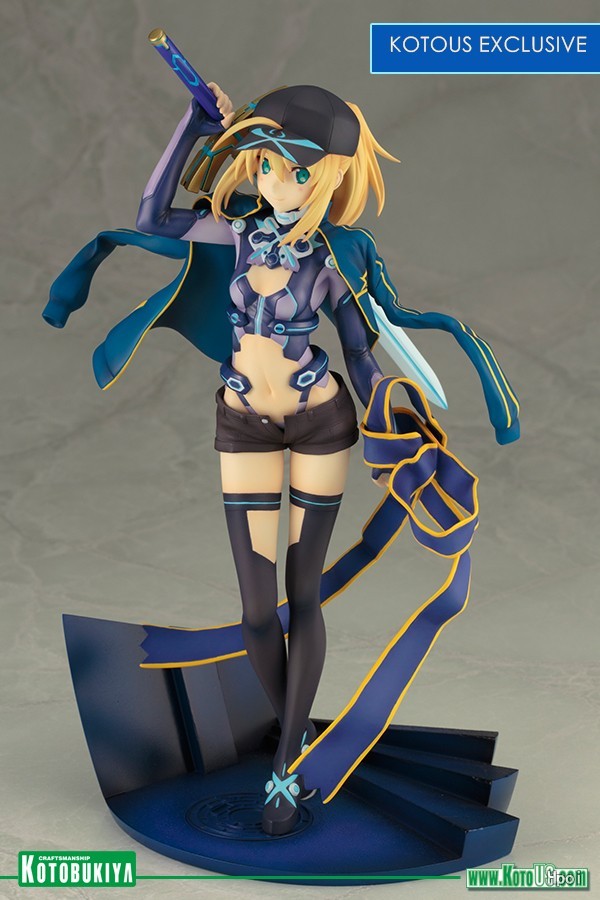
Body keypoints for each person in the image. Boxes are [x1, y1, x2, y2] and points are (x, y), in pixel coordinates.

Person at [44, 80, 520, 837]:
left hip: (319, 422)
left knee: (303, 594)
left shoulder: (338, 253)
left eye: (298, 171)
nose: (278, 182)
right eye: (266, 164)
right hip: (243, 423)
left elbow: (360, 352)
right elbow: (152, 217)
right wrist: (195, 123)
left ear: (330, 176)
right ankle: (292, 747)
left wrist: (396, 427)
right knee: (257, 612)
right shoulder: (235, 231)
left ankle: (282, 770)